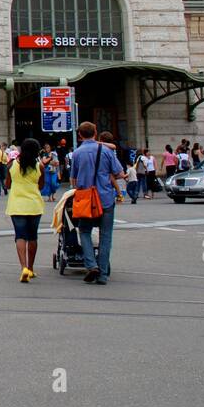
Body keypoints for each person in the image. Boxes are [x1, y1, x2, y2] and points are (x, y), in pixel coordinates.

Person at [70, 121, 123, 285]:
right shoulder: (106, 151)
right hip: (106, 198)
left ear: (80, 135)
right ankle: (103, 275)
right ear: (95, 133)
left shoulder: (77, 153)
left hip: (86, 200)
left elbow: (73, 179)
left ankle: (91, 265)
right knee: (105, 236)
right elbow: (120, 173)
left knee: (84, 231)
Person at [5, 138, 45, 282]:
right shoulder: (40, 166)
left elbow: (7, 185)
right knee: (32, 237)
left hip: (16, 205)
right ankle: (31, 267)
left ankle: (23, 268)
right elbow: (41, 186)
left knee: (20, 236)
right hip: (34, 205)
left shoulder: (12, 165)